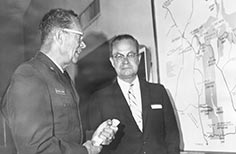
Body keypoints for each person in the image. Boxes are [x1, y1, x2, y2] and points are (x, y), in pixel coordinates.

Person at [0, 8, 118, 154]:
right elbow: (35, 148)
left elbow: (65, 133)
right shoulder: (29, 75)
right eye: (79, 38)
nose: (83, 45)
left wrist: (95, 138)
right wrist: (85, 151)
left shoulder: (62, 77)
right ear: (60, 36)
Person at [88, 34, 180, 154]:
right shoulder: (99, 99)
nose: (125, 61)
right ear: (112, 61)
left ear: (138, 58)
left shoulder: (158, 92)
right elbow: (96, 145)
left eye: (130, 55)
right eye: (119, 56)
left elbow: (172, 136)